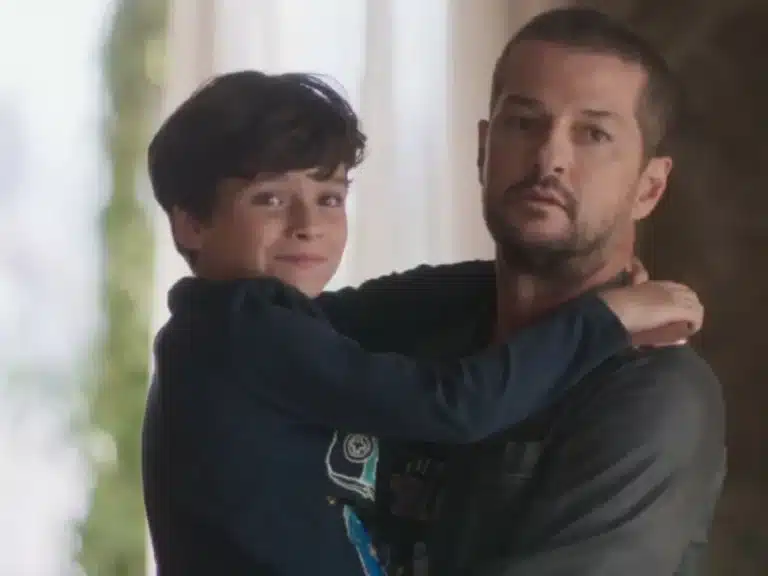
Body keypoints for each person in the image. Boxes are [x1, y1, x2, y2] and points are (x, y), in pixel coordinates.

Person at [141, 71, 702, 575]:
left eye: (330, 198)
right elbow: (454, 406)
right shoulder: (240, 333)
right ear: (190, 224)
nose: (308, 223)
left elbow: (388, 303)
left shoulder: (238, 326)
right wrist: (604, 317)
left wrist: (568, 281)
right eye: (269, 199)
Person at [326, 8, 725, 576]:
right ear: (483, 149)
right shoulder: (411, 317)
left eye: (593, 134)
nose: (549, 157)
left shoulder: (655, 393)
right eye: (523, 122)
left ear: (649, 188)